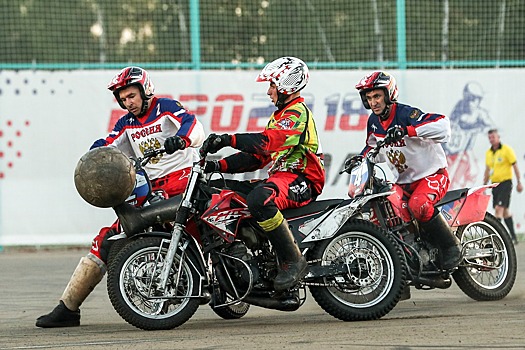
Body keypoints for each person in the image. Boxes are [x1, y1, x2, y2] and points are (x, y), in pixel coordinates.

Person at [36, 66, 205, 328]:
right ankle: (68, 307)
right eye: (124, 99)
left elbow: (194, 126)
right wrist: (94, 152)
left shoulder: (166, 107)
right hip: (153, 193)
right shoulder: (126, 124)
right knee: (106, 238)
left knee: (201, 230)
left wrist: (182, 140)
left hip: (186, 184)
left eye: (132, 96)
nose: (129, 103)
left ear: (145, 91)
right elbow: (109, 144)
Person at [200, 57, 325, 291]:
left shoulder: (296, 113)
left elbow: (267, 144)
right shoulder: (278, 116)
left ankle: (293, 260)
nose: (269, 91)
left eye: (272, 85)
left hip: (302, 180)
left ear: (286, 84)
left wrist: (228, 139)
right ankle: (239, 262)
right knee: (220, 189)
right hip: (279, 178)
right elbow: (259, 158)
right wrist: (218, 167)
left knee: (260, 198)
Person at [350, 71, 461, 271]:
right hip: (404, 182)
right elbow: (373, 148)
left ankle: (451, 246)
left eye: (377, 96)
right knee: (384, 207)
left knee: (418, 205)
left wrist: (407, 130)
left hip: (432, 176)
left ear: (389, 94)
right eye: (369, 98)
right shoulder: (373, 122)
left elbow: (444, 126)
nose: (373, 102)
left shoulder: (406, 114)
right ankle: (403, 263)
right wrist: (360, 159)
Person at [483, 129, 523, 244]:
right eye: (490, 137)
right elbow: (487, 170)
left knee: (498, 210)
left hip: (506, 183)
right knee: (505, 212)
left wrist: (519, 182)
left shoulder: (506, 150)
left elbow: (515, 166)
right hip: (495, 185)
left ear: (498, 137)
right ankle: (514, 238)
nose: (492, 139)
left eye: (493, 137)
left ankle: (496, 239)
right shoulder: (489, 153)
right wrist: (484, 185)